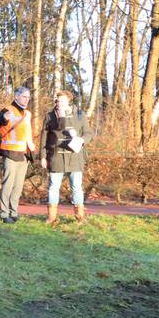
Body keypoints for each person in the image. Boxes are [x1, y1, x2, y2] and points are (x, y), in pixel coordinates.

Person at [39, 90, 88, 224]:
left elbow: (88, 134)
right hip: (56, 157)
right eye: (57, 100)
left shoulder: (80, 115)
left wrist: (81, 140)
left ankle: (80, 217)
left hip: (75, 157)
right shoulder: (50, 116)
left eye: (62, 100)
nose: (59, 103)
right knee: (53, 187)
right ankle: (52, 218)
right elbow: (44, 138)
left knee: (77, 187)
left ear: (68, 101)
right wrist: (43, 156)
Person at [0, 86, 37, 224]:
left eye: (28, 97)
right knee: (8, 185)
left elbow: (28, 133)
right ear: (16, 97)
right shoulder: (8, 110)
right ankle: (4, 214)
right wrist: (3, 118)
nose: (27, 99)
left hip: (24, 154)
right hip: (10, 153)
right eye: (24, 96)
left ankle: (14, 212)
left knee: (18, 186)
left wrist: (31, 149)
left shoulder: (28, 114)